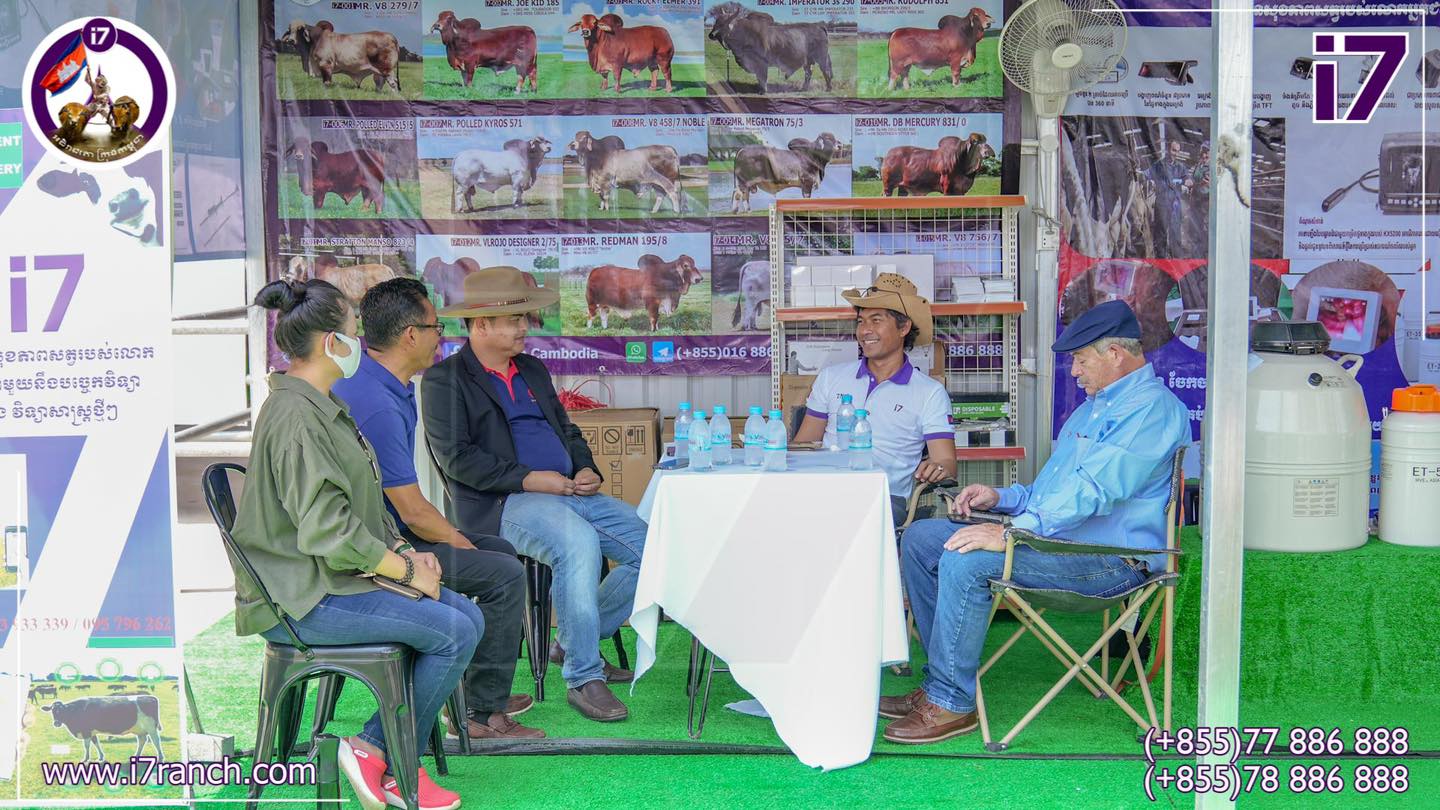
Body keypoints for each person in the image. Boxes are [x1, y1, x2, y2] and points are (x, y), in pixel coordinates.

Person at [881, 301, 1188, 745]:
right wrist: (1001, 499)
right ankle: (941, 682)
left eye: (1081, 360)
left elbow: (1093, 491)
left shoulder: (1152, 410)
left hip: (1110, 561)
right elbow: (1052, 493)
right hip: (1059, 545)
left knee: (968, 561)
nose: (1074, 372)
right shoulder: (1092, 409)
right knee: (922, 538)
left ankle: (951, 701)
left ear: (1115, 354)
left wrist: (1011, 532)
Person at [235, 278, 479, 810]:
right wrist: (406, 573)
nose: (359, 344)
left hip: (331, 580)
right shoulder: (298, 417)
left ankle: (385, 752)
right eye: (353, 332)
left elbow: (360, 507)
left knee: (467, 617)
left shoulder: (321, 403)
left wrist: (406, 554)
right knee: (455, 630)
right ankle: (381, 751)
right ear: (332, 343)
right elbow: (329, 532)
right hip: (304, 599)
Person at [420, 266, 647, 723]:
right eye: (514, 319)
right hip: (503, 503)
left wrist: (585, 466)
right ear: (481, 324)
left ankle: (572, 642)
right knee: (576, 542)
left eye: (524, 317)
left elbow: (567, 429)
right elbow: (459, 460)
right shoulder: (445, 380)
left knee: (651, 545)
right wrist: (530, 479)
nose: (525, 327)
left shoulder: (531, 368)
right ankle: (584, 676)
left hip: (569, 491)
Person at [333, 278, 543, 740]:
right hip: (377, 548)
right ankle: (479, 714)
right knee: (504, 573)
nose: (441, 337)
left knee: (500, 553)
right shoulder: (378, 405)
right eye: (435, 327)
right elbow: (411, 511)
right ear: (411, 335)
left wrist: (461, 541)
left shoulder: (380, 380)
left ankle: (474, 687)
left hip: (386, 531)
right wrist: (458, 540)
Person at [792, 273, 956, 523]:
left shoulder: (929, 393)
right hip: (825, 490)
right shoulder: (830, 377)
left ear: (904, 328)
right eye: (861, 321)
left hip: (885, 500)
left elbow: (947, 462)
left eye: (876, 320)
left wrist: (937, 468)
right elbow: (803, 445)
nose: (864, 331)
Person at [1147, 140, 1193, 259]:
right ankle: (1161, 260)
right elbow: (1147, 174)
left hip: (1175, 205)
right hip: (1162, 203)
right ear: (1168, 149)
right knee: (1161, 232)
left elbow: (1188, 179)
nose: (1175, 154)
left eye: (1177, 151)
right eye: (1173, 150)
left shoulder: (1180, 167)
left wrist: (1187, 181)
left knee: (1175, 232)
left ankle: (1176, 260)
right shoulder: (1159, 165)